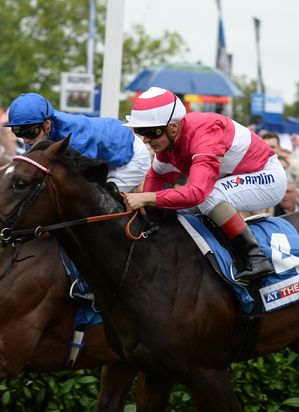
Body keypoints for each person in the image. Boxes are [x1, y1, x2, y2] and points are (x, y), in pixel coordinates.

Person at [122, 87, 286, 280]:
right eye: (141, 132)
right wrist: (149, 219)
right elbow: (155, 176)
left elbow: (197, 193)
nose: (147, 140)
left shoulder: (205, 135)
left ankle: (256, 257)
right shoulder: (168, 144)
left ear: (173, 127)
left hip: (267, 177)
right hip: (233, 179)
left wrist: (146, 198)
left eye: (152, 132)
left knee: (209, 198)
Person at [5, 92, 150, 192]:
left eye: (30, 132)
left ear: (47, 125)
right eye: (18, 133)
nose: (25, 139)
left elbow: (92, 176)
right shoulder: (36, 133)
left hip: (132, 157)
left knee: (98, 202)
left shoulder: (76, 140)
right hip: (106, 151)